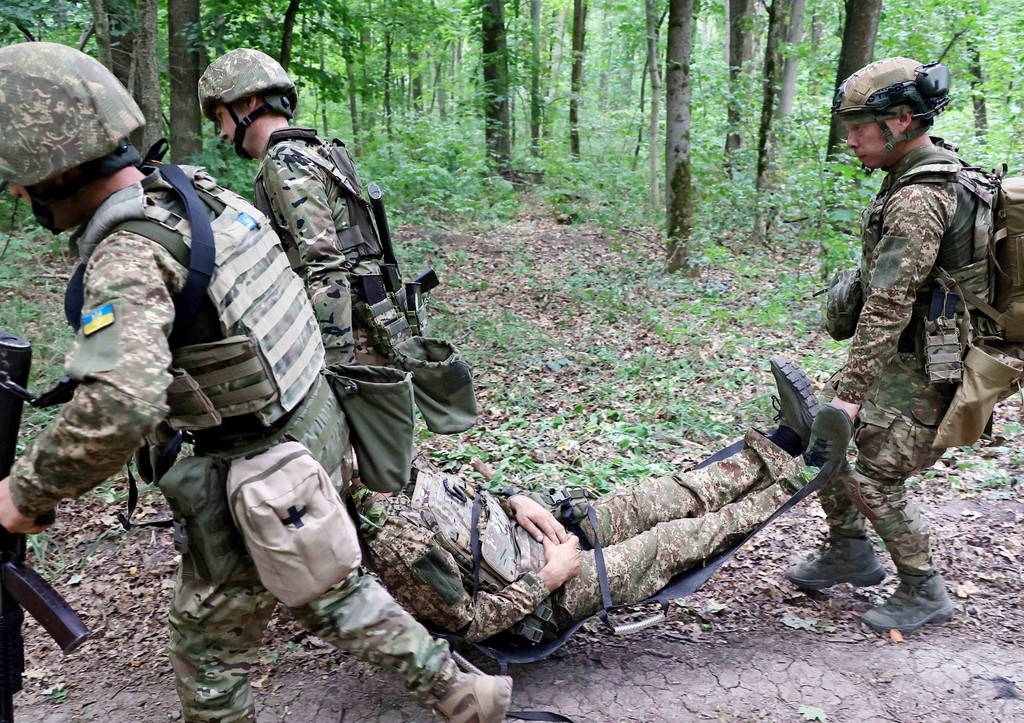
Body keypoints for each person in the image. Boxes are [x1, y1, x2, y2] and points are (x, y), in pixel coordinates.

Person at [0, 42, 511, 723]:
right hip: (309, 434)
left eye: (18, 177)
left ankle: (458, 692)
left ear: (49, 168)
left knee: (210, 652)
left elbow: (120, 402)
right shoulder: (193, 193)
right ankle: (462, 692)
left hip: (257, 469)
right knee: (329, 589)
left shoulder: (129, 253)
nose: (13, 191)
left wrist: (24, 490)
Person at [352, 356, 827, 642]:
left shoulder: (401, 473)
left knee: (661, 496)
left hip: (543, 532)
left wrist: (514, 494)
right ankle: (803, 476)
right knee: (679, 538)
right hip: (548, 593)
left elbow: (467, 498)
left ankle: (786, 439)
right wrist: (550, 575)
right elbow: (467, 624)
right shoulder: (396, 541)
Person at [787, 57, 981, 633]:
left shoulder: (921, 197)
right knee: (825, 439)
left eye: (857, 127)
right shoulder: (911, 177)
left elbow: (890, 305)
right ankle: (849, 549)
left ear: (900, 121)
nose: (849, 139)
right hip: (907, 352)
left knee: (873, 470)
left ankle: (924, 589)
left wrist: (851, 393)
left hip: (930, 363)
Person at [198, 48, 410, 367]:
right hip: (375, 320)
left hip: (352, 338)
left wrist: (338, 366)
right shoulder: (318, 150)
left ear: (248, 102)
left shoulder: (284, 161)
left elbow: (324, 262)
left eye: (220, 117)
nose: (224, 133)